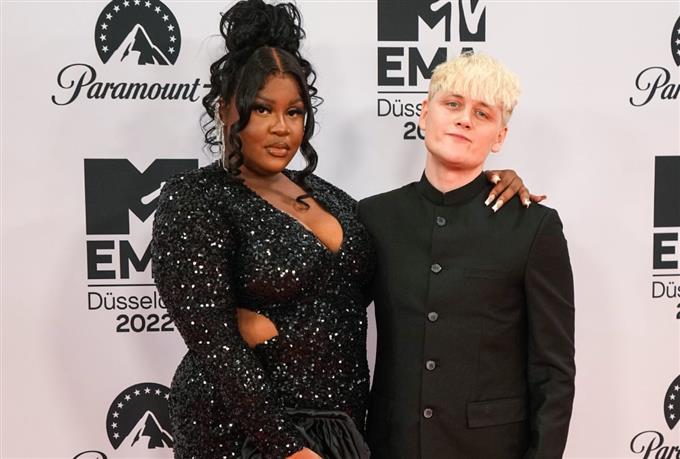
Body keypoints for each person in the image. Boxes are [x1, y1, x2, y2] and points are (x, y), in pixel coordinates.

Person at [152, 1, 536, 457]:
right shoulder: (195, 198)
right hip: (244, 431)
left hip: (341, 427)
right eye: (262, 109)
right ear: (225, 110)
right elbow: (216, 347)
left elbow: (407, 268)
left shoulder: (331, 198)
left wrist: (482, 186)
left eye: (294, 112)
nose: (281, 128)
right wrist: (286, 447)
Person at [358, 52, 575, 459]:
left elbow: (554, 370)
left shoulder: (533, 227)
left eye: (482, 113)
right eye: (453, 104)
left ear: (500, 137)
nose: (464, 120)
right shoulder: (374, 217)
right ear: (425, 114)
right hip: (391, 445)